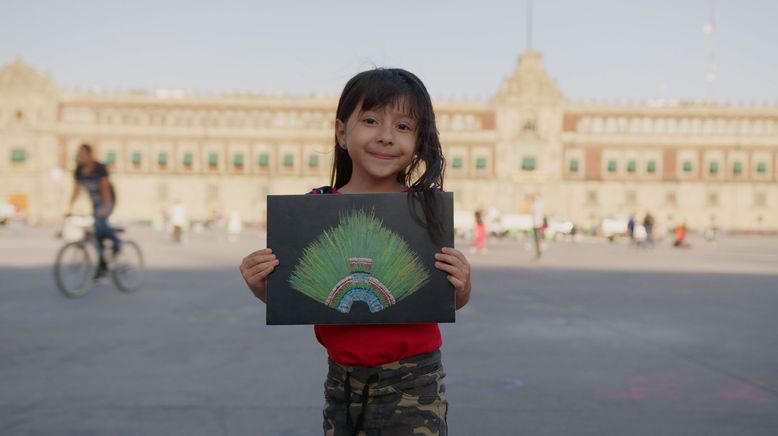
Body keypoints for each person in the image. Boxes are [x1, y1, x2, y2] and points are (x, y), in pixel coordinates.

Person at [239, 68, 472, 435]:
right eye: (371, 120)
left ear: (419, 141)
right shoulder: (313, 211)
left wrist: (462, 284)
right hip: (342, 382)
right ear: (342, 132)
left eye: (403, 126)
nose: (385, 136)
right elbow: (298, 294)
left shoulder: (424, 211)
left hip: (414, 381)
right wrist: (261, 286)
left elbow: (446, 300)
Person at [67, 143, 121, 279]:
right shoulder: (79, 171)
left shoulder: (99, 168)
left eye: (82, 155)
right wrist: (69, 208)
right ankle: (102, 263)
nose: (80, 157)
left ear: (90, 155)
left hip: (108, 199)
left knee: (99, 222)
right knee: (96, 235)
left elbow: (105, 188)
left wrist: (107, 207)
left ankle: (117, 243)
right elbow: (76, 190)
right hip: (95, 203)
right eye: (79, 155)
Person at [531, 194, 544, 259]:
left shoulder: (537, 204)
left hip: (538, 224)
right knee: (537, 239)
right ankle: (538, 251)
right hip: (537, 224)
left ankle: (539, 251)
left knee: (538, 238)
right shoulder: (538, 204)